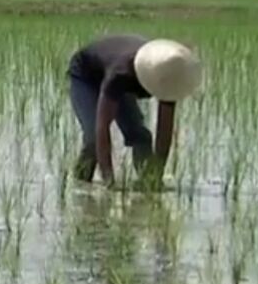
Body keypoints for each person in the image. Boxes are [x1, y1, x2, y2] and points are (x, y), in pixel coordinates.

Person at [68, 35, 202, 184]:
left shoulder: (169, 75)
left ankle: (147, 179)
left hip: (114, 71)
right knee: (92, 138)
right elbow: (102, 126)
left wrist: (157, 175)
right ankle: (80, 184)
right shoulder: (122, 74)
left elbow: (165, 129)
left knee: (141, 136)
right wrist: (109, 180)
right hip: (86, 76)